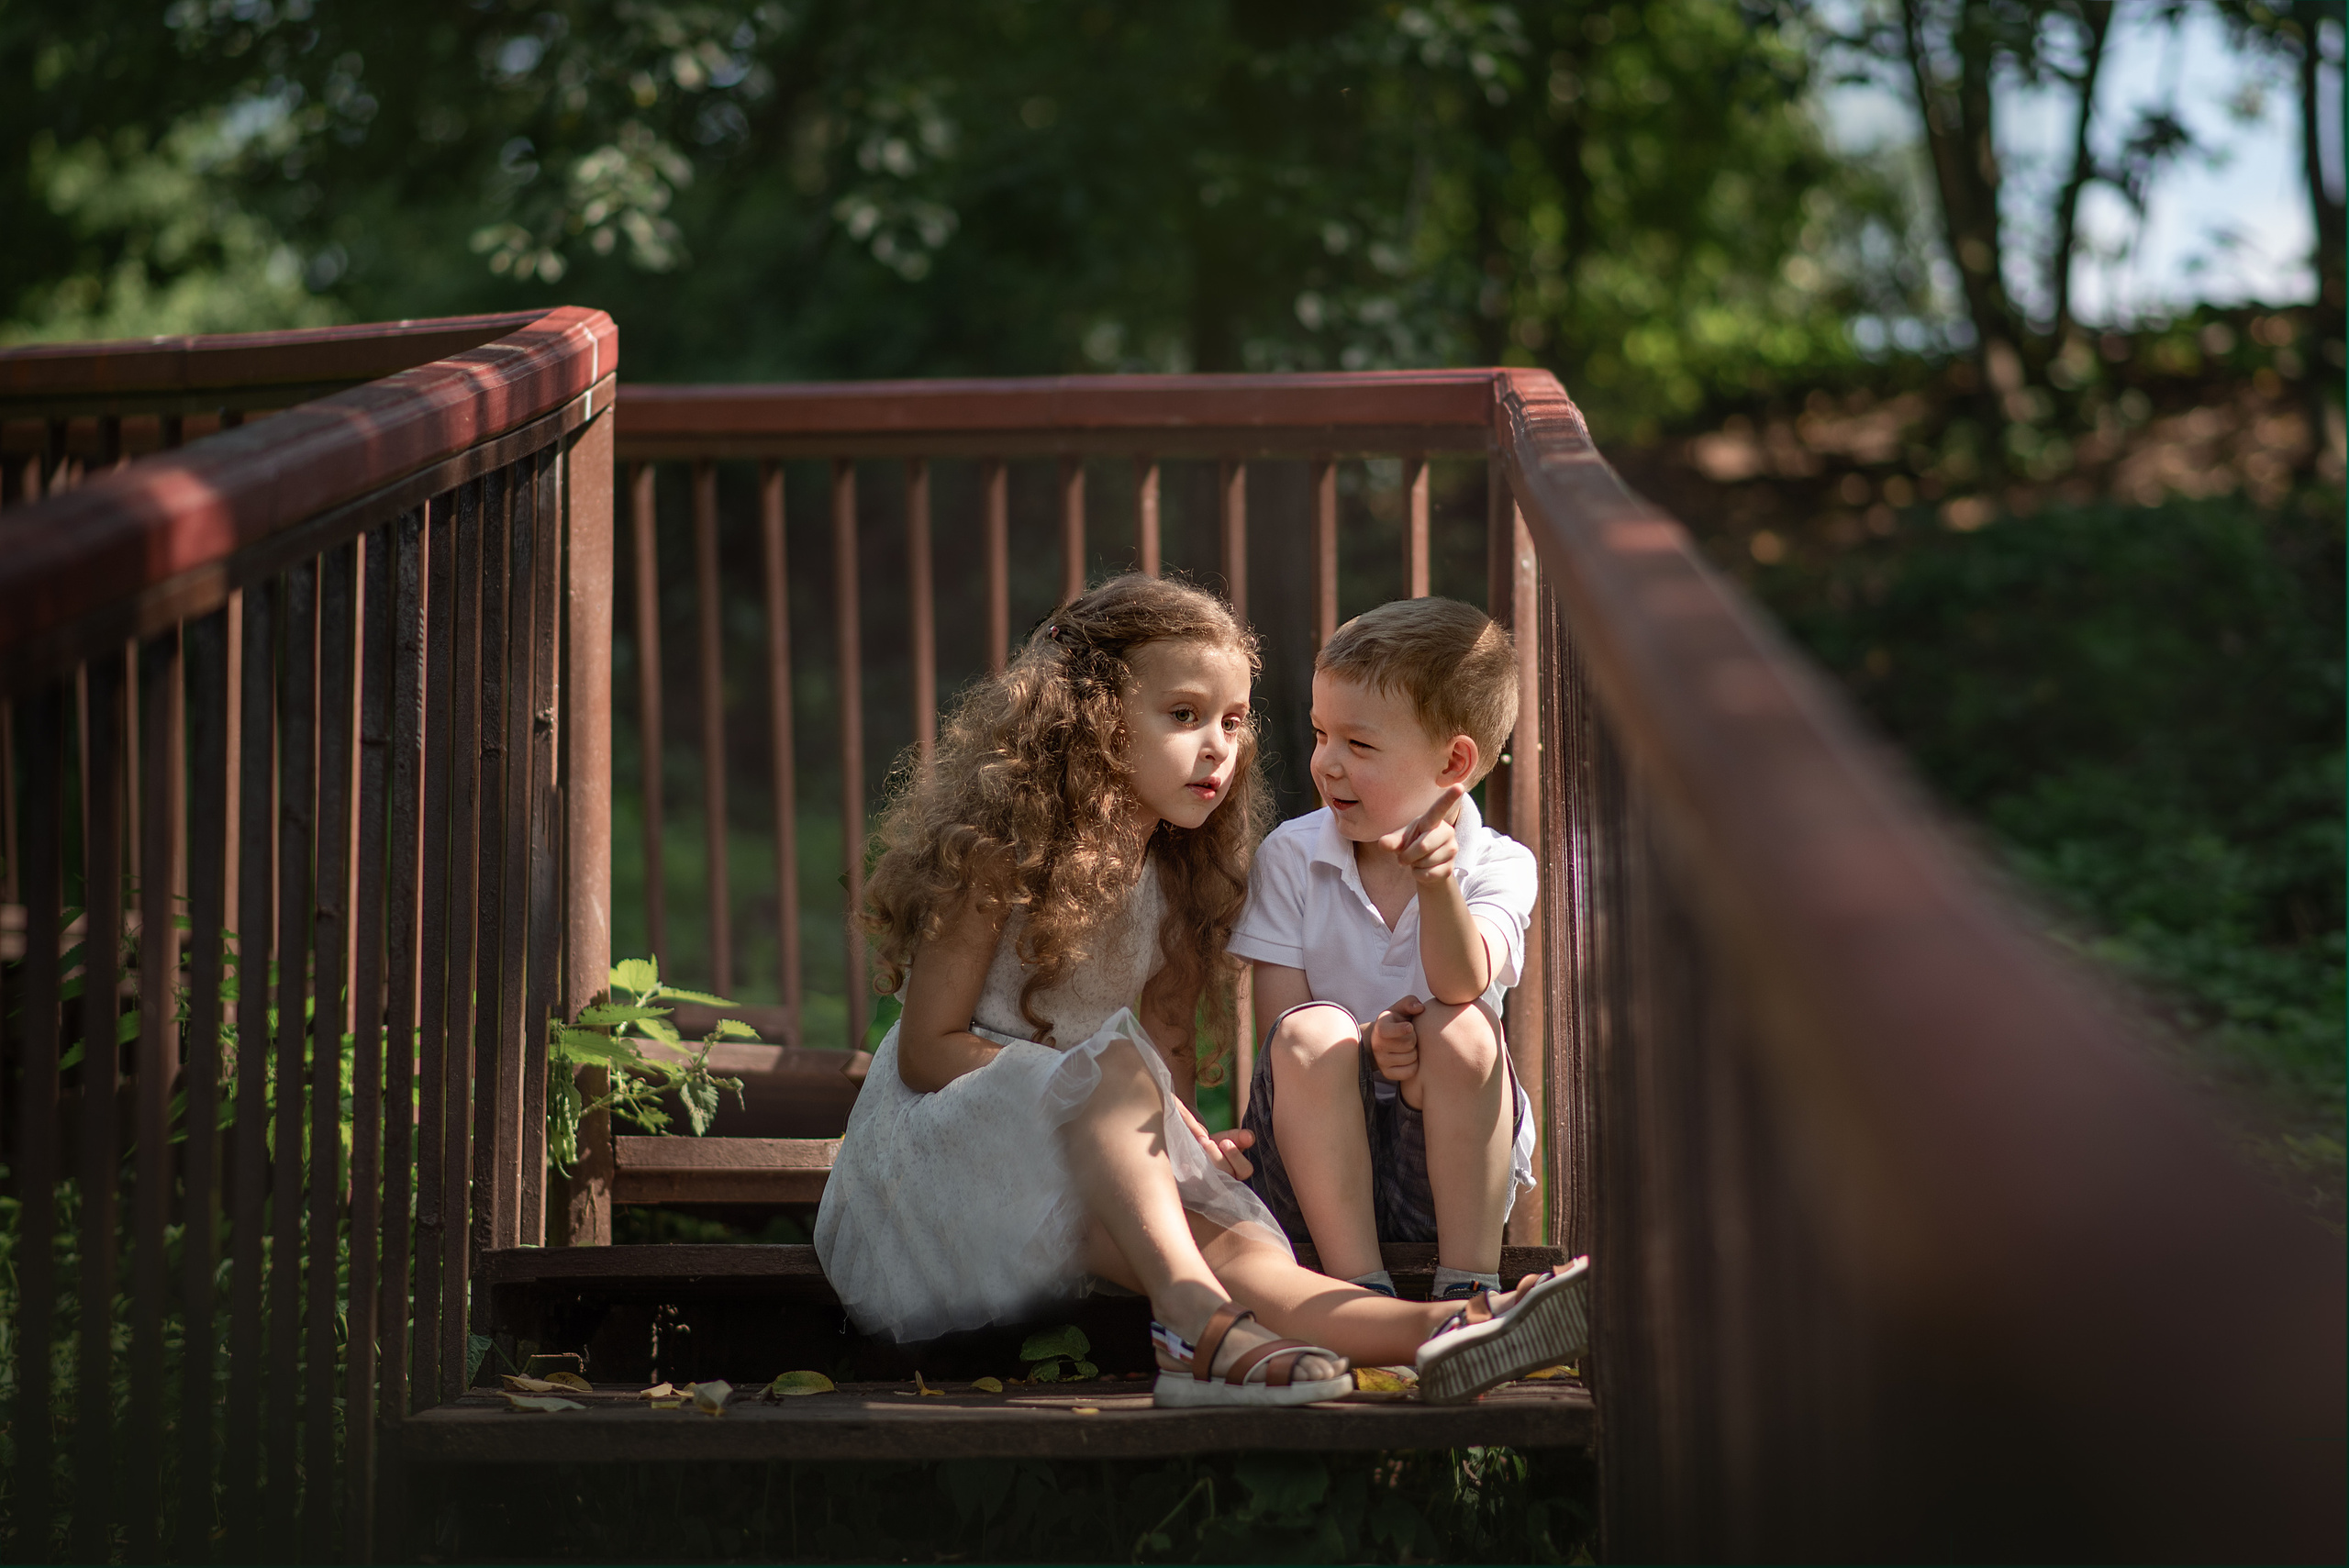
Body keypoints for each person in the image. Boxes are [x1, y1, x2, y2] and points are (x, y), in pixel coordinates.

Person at [814, 574, 1586, 1407]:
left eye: (1232, 719)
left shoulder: (1181, 880)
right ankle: (1192, 1330)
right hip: (945, 1162)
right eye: (1183, 716)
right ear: (1093, 721)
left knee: (1245, 1248)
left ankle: (1456, 1324)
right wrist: (1105, 1082)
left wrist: (1185, 1144)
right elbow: (928, 1053)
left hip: (1087, 1159)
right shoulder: (999, 858)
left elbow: (1168, 1053)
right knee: (1111, 1068)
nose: (1219, 744)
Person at [1230, 597, 1587, 1353]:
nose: (1326, 762)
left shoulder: (1500, 864)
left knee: (1460, 1027)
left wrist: (1438, 886)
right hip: (1310, 1169)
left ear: (1453, 763)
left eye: (1359, 743)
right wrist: (1364, 1044)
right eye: (1321, 733)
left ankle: (1472, 1287)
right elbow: (1279, 1030)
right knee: (1314, 1031)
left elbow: (1463, 983)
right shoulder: (1291, 857)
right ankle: (1360, 1292)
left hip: (1439, 1172)